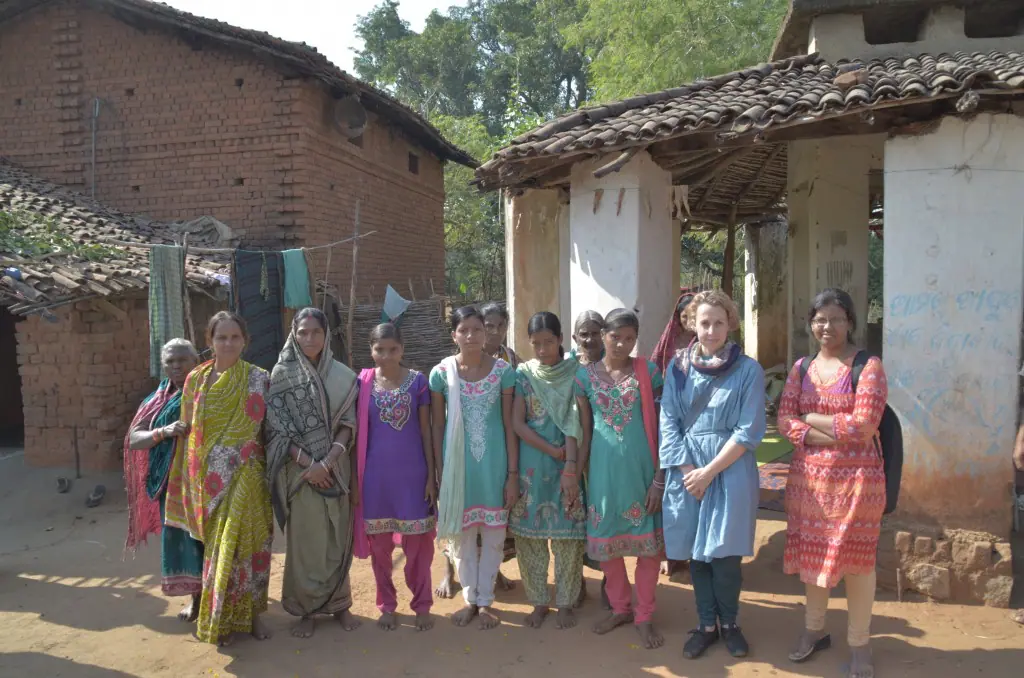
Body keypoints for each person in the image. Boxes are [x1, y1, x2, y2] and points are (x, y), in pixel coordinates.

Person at [778, 288, 889, 678]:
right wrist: (817, 429)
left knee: (858, 564)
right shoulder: (801, 368)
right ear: (811, 323)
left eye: (836, 319)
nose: (828, 326)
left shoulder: (868, 367)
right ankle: (814, 630)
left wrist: (809, 419)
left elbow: (865, 426)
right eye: (820, 319)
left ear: (850, 322)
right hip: (809, 484)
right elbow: (784, 420)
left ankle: (860, 643)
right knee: (814, 558)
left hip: (858, 483)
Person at [659, 289, 766, 659]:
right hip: (687, 471)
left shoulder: (748, 370)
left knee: (726, 555)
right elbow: (669, 421)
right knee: (697, 555)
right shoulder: (678, 369)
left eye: (719, 322)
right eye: (704, 322)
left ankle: (730, 624)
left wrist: (708, 472)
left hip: (730, 470)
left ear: (730, 324)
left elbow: (748, 431)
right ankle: (706, 624)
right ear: (692, 323)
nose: (711, 330)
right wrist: (689, 471)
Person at [164, 311, 273, 646]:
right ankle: (222, 620)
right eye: (221, 337)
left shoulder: (259, 378)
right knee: (218, 552)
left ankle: (253, 616)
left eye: (235, 337)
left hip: (247, 475)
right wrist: (189, 481)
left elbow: (265, 431)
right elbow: (189, 432)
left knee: (249, 547)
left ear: (245, 341)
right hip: (207, 481)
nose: (228, 343)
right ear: (209, 342)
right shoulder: (195, 380)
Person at [266, 307, 360, 639]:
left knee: (337, 538)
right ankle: (306, 609)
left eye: (316, 332)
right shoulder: (280, 375)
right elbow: (276, 431)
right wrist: (310, 464)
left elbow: (349, 423)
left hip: (336, 469)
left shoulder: (343, 375)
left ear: (326, 334)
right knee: (306, 542)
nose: (309, 338)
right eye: (303, 332)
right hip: (301, 474)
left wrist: (328, 462)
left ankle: (340, 604)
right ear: (293, 333)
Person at [575, 308, 665, 649]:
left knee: (648, 551)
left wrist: (659, 478)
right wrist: (574, 475)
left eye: (630, 338)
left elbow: (664, 427)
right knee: (607, 548)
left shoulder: (648, 372)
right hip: (603, 476)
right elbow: (585, 433)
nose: (622, 344)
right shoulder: (584, 377)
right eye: (616, 337)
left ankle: (644, 616)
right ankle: (620, 608)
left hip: (643, 474)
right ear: (603, 336)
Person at [430, 305, 518, 631]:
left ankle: (485, 602)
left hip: (494, 467)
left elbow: (509, 425)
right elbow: (437, 426)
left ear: (486, 332)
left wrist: (512, 475)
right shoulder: (441, 374)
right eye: (464, 330)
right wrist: (440, 471)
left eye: (477, 329)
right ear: (453, 335)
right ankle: (470, 599)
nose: (471, 336)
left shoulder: (503, 372)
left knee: (494, 537)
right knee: (463, 538)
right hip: (458, 470)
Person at [354, 323, 437, 632]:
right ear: (371, 350)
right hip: (375, 479)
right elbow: (357, 434)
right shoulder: (362, 383)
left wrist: (431, 476)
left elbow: (426, 431)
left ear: (402, 349)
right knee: (380, 549)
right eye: (379, 349)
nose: (386, 355)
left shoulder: (418, 382)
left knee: (418, 548)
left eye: (392, 349)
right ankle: (386, 605)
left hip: (413, 477)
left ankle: (422, 604)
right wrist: (355, 481)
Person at [511, 312, 586, 630]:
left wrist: (568, 462)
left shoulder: (575, 372)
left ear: (561, 340)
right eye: (536, 343)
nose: (542, 350)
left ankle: (565, 603)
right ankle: (539, 602)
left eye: (549, 342)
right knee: (530, 539)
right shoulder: (524, 374)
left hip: (569, 464)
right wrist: (551, 450)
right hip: (533, 464)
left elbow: (575, 420)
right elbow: (517, 423)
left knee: (568, 539)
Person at [124, 338, 203, 623]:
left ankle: (219, 598)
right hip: (170, 485)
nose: (176, 366)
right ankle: (196, 598)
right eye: (170, 361)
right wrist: (164, 431)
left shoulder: (208, 392)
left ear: (196, 362)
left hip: (205, 481)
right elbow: (134, 439)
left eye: (182, 360)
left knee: (208, 540)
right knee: (184, 541)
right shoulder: (155, 401)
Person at [650, 290, 698, 579]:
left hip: (700, 429)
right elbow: (654, 382)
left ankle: (694, 554)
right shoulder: (666, 346)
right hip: (667, 424)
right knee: (670, 494)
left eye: (694, 315)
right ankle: (670, 554)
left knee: (696, 493)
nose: (689, 321)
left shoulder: (710, 348)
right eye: (684, 315)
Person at [569, 310, 609, 609]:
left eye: (596, 333)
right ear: (574, 337)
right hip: (572, 453)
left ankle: (610, 582)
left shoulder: (613, 366)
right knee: (575, 519)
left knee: (604, 516)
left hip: (605, 456)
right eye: (584, 334)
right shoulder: (567, 368)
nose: (590, 339)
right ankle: (578, 583)